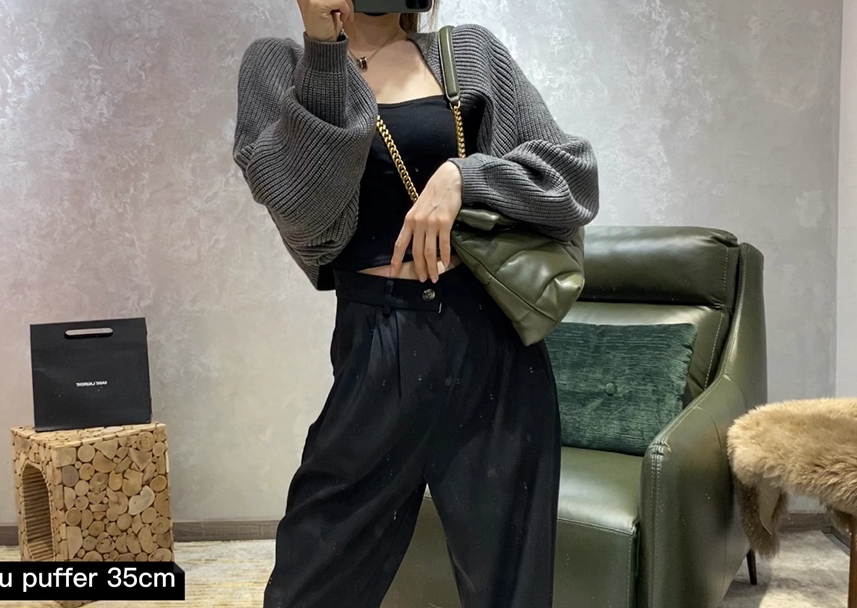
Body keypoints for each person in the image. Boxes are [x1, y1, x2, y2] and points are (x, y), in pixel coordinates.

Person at [233, 1, 599, 606]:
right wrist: (324, 52)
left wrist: (463, 177)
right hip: (377, 344)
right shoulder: (279, 66)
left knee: (511, 586)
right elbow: (307, 215)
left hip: (491, 345)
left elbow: (573, 179)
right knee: (313, 579)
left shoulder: (471, 55)